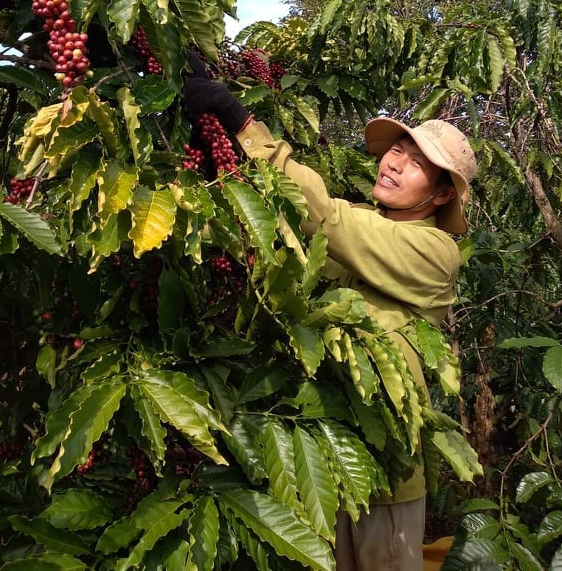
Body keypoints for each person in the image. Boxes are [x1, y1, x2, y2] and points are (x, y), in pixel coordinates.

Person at [182, 53, 478, 571]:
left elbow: (326, 218)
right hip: (321, 461)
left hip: (386, 480)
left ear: (441, 193)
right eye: (396, 151)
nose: (393, 162)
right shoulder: (366, 222)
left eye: (415, 163)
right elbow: (290, 236)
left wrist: (245, 127)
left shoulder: (436, 254)